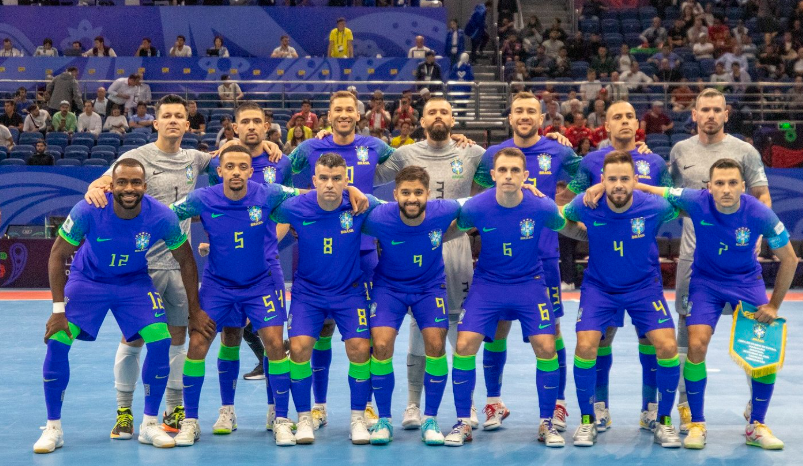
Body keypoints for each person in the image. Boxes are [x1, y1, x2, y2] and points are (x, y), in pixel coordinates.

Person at [83, 94, 281, 440]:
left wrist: (269, 147)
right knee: (133, 339)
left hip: (176, 265)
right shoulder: (135, 157)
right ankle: (125, 411)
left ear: (187, 125)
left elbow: (234, 160)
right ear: (155, 122)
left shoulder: (197, 158)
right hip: (139, 268)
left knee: (179, 340)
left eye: (179, 116)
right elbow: (105, 182)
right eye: (166, 116)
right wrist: (93, 187)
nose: (173, 120)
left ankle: (176, 409)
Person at [33, 158, 206, 454]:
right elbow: (57, 254)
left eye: (136, 183)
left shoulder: (161, 216)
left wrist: (195, 309)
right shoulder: (89, 209)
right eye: (122, 182)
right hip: (88, 282)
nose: (129, 188)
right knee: (58, 342)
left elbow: (186, 260)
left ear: (145, 187)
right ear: (110, 186)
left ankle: (149, 423)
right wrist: (58, 311)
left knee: (161, 339)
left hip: (134, 283)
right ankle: (53, 428)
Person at [633, 159, 797, 450]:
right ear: (709, 188)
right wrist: (625, 184)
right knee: (696, 345)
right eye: (719, 183)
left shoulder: (760, 213)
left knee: (764, 353)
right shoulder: (696, 200)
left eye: (732, 183)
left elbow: (790, 259)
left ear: (743, 186)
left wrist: (773, 305)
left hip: (746, 282)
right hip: (706, 283)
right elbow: (657, 191)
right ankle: (697, 424)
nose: (726, 189)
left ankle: (756, 425)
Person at [169, 146, 300, 446]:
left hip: (261, 283)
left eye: (243, 166)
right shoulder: (203, 198)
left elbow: (311, 193)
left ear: (251, 171)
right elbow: (165, 213)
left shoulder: (269, 193)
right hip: (218, 285)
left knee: (275, 344)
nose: (237, 171)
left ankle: (279, 417)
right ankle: (199, 418)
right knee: (199, 343)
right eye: (230, 166)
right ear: (220, 171)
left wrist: (352, 193)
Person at [445, 147, 568, 448]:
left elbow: (570, 226)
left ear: (526, 176)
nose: (509, 175)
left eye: (515, 170)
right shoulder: (477, 206)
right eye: (503, 170)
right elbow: (449, 230)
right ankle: (463, 421)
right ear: (494, 175)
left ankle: (546, 422)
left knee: (546, 345)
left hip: (529, 283)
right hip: (488, 284)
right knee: (464, 344)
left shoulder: (542, 206)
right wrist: (415, 235)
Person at [472, 93, 580, 433]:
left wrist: (559, 202)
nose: (524, 116)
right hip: (498, 261)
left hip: (543, 256)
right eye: (518, 110)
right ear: (510, 116)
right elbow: (477, 189)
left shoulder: (559, 150)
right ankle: (494, 401)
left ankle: (558, 404)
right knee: (497, 330)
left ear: (541, 116)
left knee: (552, 334)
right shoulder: (493, 154)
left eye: (530, 111)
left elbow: (585, 177)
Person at [562, 150, 682, 448]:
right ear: (601, 180)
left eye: (625, 179)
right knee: (586, 345)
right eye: (611, 179)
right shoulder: (586, 203)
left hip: (644, 287)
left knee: (667, 346)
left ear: (635, 180)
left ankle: (662, 420)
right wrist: (584, 235)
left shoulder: (655, 205)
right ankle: (588, 419)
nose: (618, 185)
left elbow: (687, 204)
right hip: (599, 288)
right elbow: (558, 218)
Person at [668, 88, 771, 434]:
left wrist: (759, 235)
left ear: (727, 114)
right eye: (704, 110)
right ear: (693, 114)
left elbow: (761, 195)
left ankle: (754, 405)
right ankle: (685, 405)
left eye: (717, 110)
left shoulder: (745, 151)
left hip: (740, 264)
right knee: (688, 334)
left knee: (753, 331)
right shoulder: (680, 151)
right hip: (693, 262)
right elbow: (670, 196)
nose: (710, 115)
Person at [270, 153, 381, 444]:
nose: (330, 184)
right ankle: (305, 418)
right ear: (314, 180)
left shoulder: (360, 205)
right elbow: (263, 205)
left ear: (346, 180)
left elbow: (407, 208)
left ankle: (358, 419)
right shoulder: (295, 206)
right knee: (299, 348)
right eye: (324, 178)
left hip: (349, 292)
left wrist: (357, 193)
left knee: (359, 348)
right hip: (308, 294)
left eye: (337, 179)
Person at [361, 166, 466, 445]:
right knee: (381, 346)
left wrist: (524, 189)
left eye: (418, 192)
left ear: (428, 195)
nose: (411, 198)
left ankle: (429, 418)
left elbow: (482, 203)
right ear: (395, 194)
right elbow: (345, 205)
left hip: (429, 288)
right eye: (405, 192)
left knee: (435, 345)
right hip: (389, 288)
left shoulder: (444, 210)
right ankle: (384, 419)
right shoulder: (378, 216)